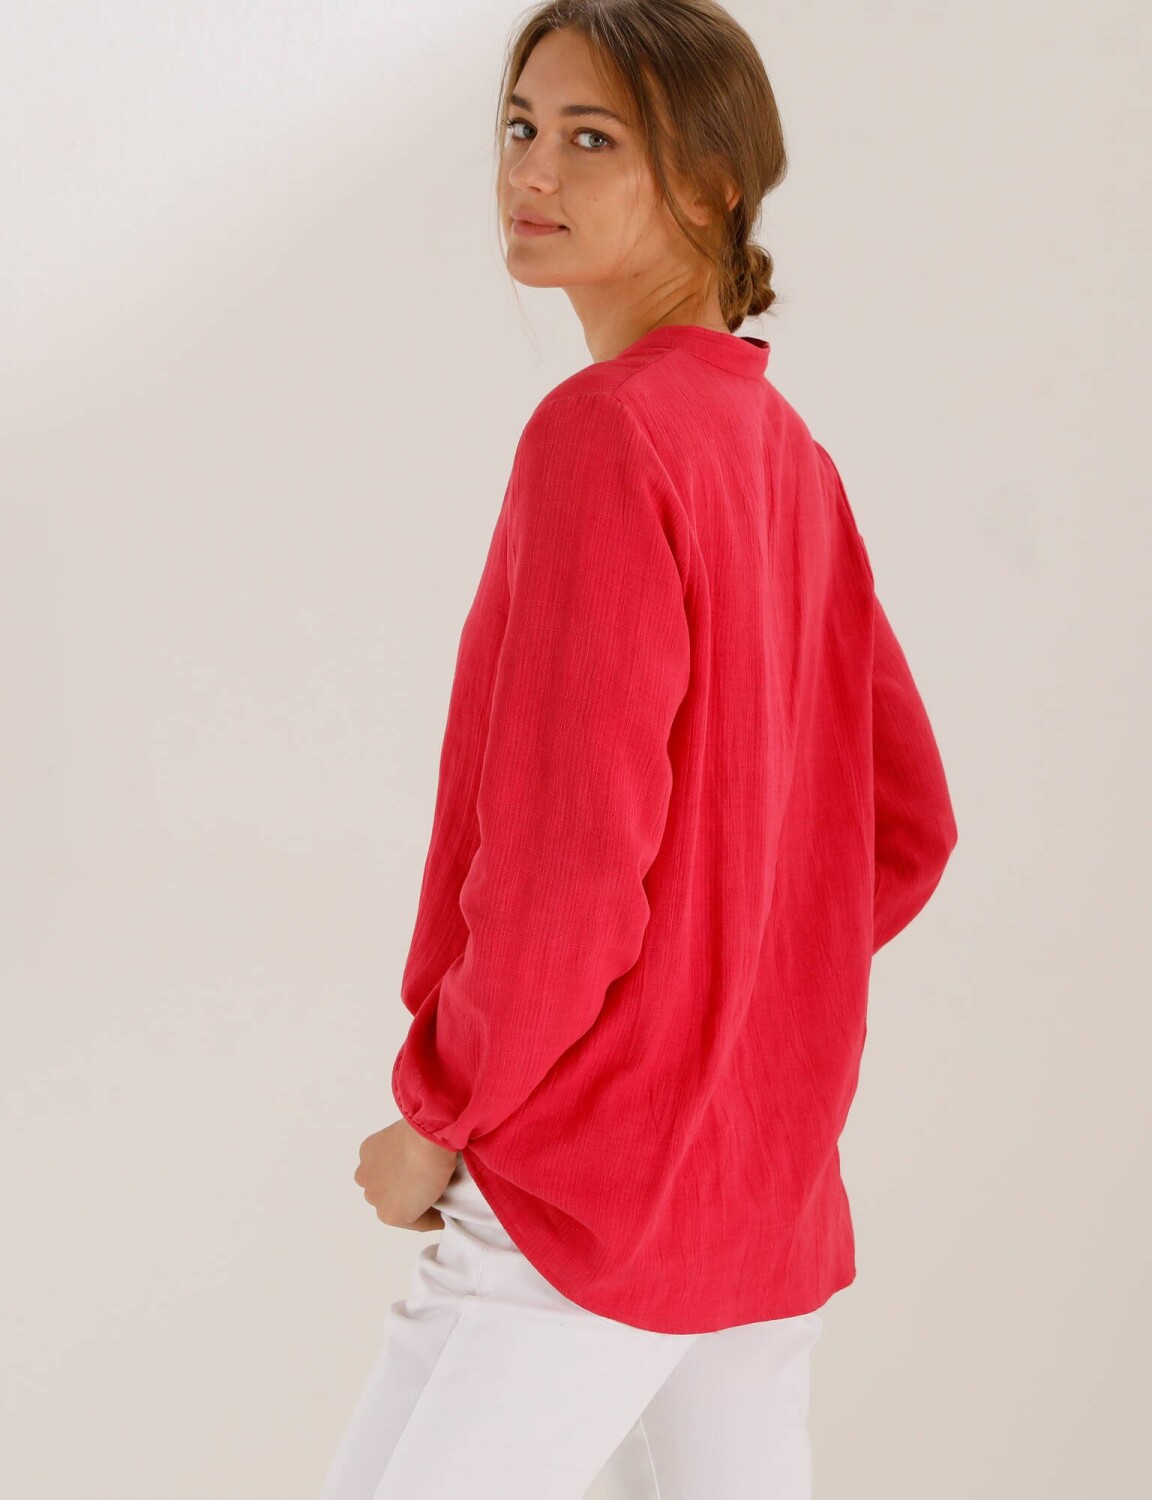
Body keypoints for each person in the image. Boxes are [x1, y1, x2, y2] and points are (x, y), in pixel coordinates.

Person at [318, 3, 957, 1496]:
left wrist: (441, 1117)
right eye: (521, 127)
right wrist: (734, 1017)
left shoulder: (604, 435)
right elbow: (904, 827)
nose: (532, 170)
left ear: (714, 182)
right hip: (757, 1199)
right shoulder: (788, 462)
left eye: (591, 138)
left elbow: (566, 876)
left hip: (584, 1206)